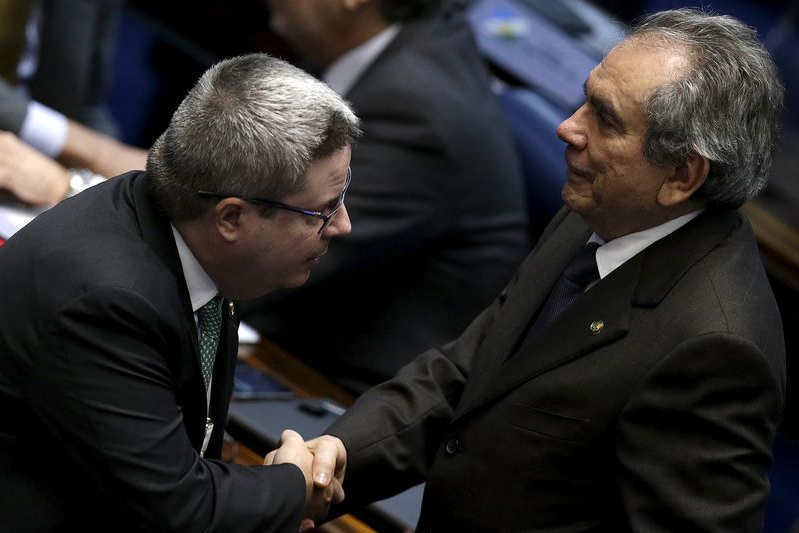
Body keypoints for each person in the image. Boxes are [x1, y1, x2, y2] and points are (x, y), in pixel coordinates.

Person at [289, 9, 788, 531]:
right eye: (584, 98)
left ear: (683, 175)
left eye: (605, 118)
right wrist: (332, 460)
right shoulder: (595, 210)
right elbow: (467, 376)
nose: (568, 127)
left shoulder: (715, 349)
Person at [0, 53, 360, 531]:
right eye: (323, 210)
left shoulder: (180, 231)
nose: (343, 225)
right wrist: (294, 484)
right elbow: (180, 511)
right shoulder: (108, 301)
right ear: (231, 218)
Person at [241, 0, 530, 392]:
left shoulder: (414, 108)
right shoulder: (407, 49)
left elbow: (267, 256)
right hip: (294, 339)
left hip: (336, 397)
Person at [0, 0, 148, 205]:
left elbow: (88, 106)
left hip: (33, 176)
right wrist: (92, 156)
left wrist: (126, 178)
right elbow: (98, 152)